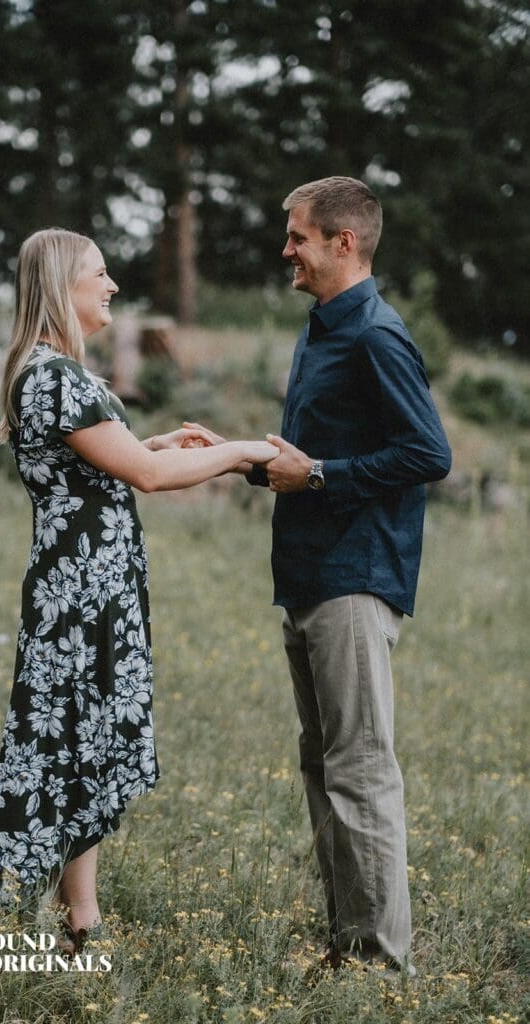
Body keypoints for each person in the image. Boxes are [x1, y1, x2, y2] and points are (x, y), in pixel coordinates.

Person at [0, 227, 277, 951]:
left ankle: (78, 915)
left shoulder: (49, 373)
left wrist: (155, 444)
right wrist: (245, 453)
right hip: (81, 593)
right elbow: (144, 478)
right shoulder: (54, 376)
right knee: (72, 735)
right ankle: (59, 912)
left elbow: (117, 463)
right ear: (61, 286)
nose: (112, 286)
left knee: (76, 736)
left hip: (83, 584)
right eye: (100, 274)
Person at [190, 176, 451, 973]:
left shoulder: (375, 333)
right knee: (324, 766)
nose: (286, 250)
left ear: (343, 242)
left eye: (298, 236)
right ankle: (349, 946)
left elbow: (427, 453)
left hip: (354, 577)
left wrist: (322, 477)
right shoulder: (323, 327)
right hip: (307, 575)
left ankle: (380, 965)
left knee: (360, 770)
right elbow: (311, 459)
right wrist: (238, 457)